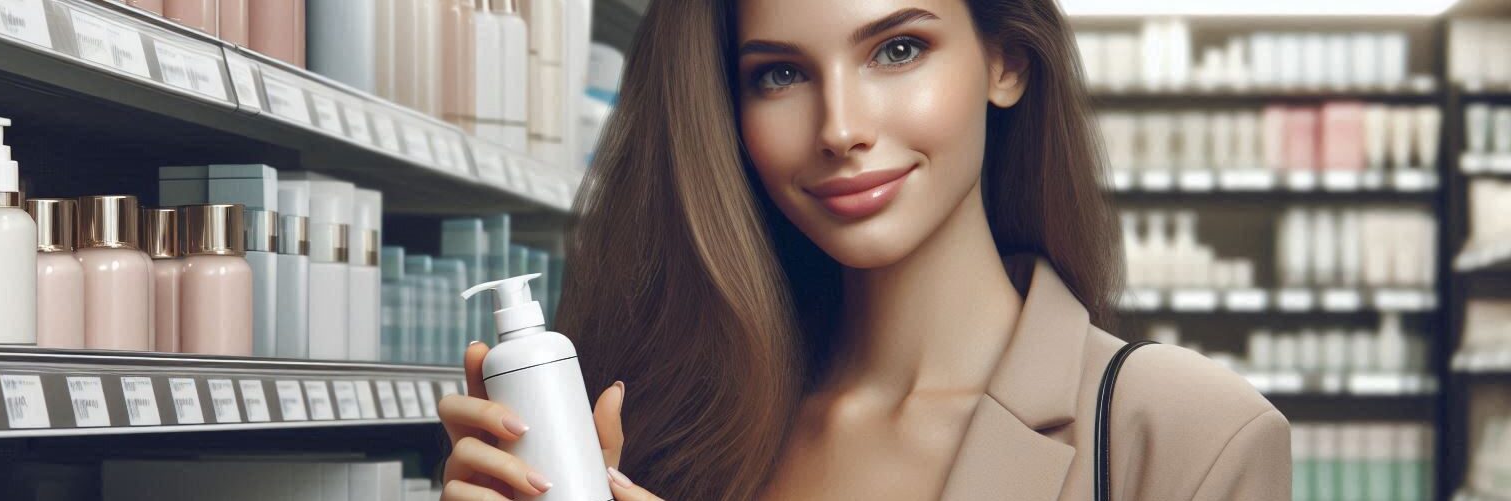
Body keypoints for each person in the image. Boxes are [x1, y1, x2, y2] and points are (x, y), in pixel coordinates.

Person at [437, 0, 1291, 499]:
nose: (841, 129)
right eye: (779, 73)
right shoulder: (659, 421)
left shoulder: (1184, 435)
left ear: (1006, 61)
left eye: (898, 48)